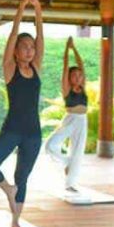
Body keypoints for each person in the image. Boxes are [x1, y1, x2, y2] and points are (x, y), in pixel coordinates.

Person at [0, 0, 44, 227]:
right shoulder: (10, 69)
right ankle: (7, 189)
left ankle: (16, 222)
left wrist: (37, 9)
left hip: (33, 133)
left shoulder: (37, 67)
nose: (30, 50)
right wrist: (21, 9)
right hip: (13, 130)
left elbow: (41, 37)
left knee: (23, 178)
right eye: (25, 47)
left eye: (31, 47)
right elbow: (12, 36)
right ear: (16, 52)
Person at [45, 36, 88, 194]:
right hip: (70, 119)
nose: (78, 77)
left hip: (82, 121)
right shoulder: (66, 89)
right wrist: (66, 49)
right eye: (74, 75)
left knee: (78, 151)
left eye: (79, 75)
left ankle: (70, 183)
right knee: (50, 145)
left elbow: (81, 65)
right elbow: (65, 68)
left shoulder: (82, 87)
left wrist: (74, 48)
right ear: (69, 78)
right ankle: (66, 162)